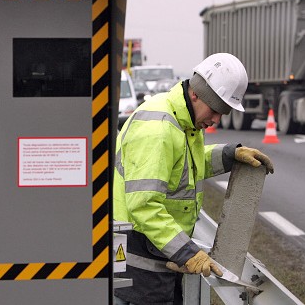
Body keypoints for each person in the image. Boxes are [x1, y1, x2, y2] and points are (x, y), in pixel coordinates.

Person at [113, 53, 274, 305]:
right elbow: (144, 206)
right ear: (197, 94)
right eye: (215, 110)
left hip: (159, 248)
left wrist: (231, 154)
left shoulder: (184, 121)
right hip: (140, 256)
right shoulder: (159, 130)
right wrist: (188, 253)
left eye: (224, 113)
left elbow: (184, 166)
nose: (215, 120)